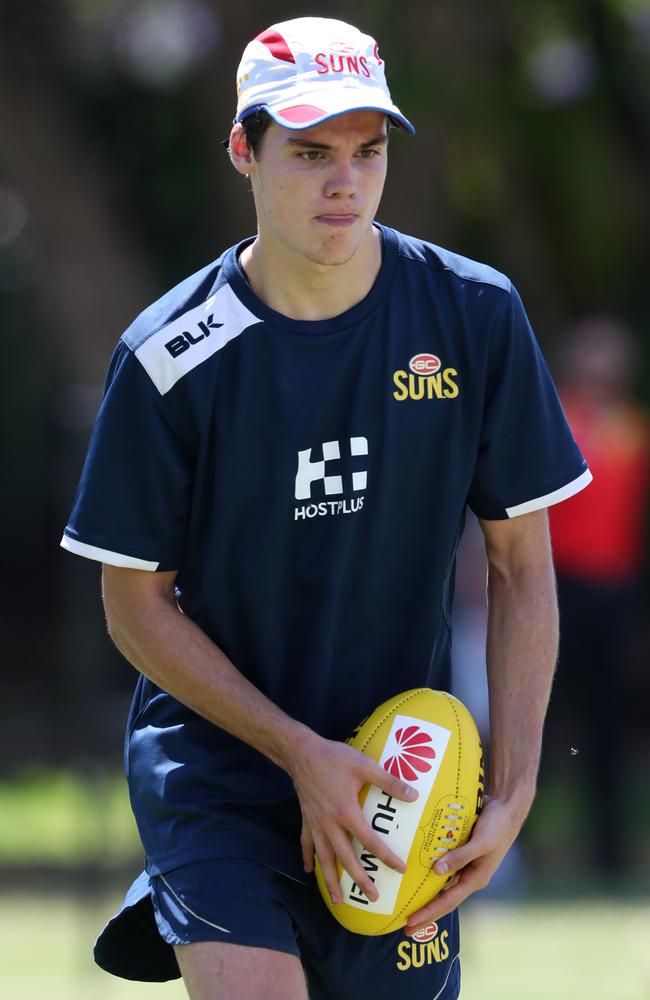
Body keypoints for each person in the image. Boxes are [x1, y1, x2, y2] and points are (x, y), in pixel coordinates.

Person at [60, 16, 592, 1000]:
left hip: (400, 768)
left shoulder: (473, 316)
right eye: (308, 152)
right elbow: (133, 606)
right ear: (242, 151)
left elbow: (522, 567)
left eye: (367, 149)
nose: (344, 181)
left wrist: (511, 790)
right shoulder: (169, 355)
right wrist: (299, 755)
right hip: (218, 774)